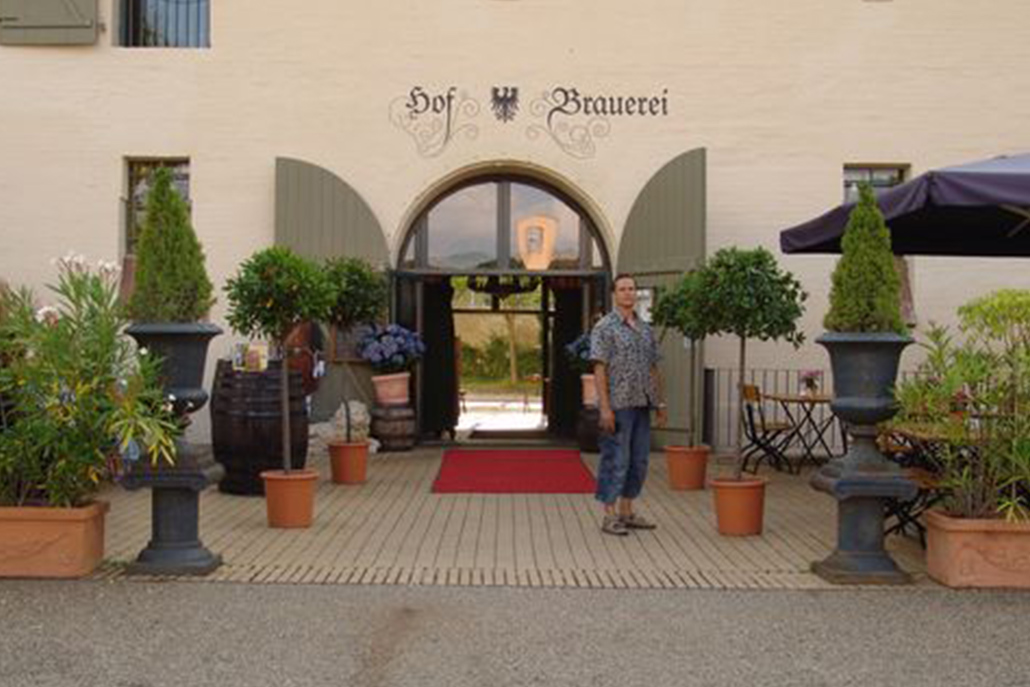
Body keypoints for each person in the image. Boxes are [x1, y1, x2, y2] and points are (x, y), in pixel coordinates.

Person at [589, 273, 667, 535]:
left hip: (642, 403)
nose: (628, 293)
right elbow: (599, 368)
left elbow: (653, 368)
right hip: (618, 405)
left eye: (631, 289)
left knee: (639, 461)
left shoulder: (645, 329)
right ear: (614, 294)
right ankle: (609, 515)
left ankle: (627, 511)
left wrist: (660, 403)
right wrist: (605, 408)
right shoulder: (604, 327)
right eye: (622, 289)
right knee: (616, 460)